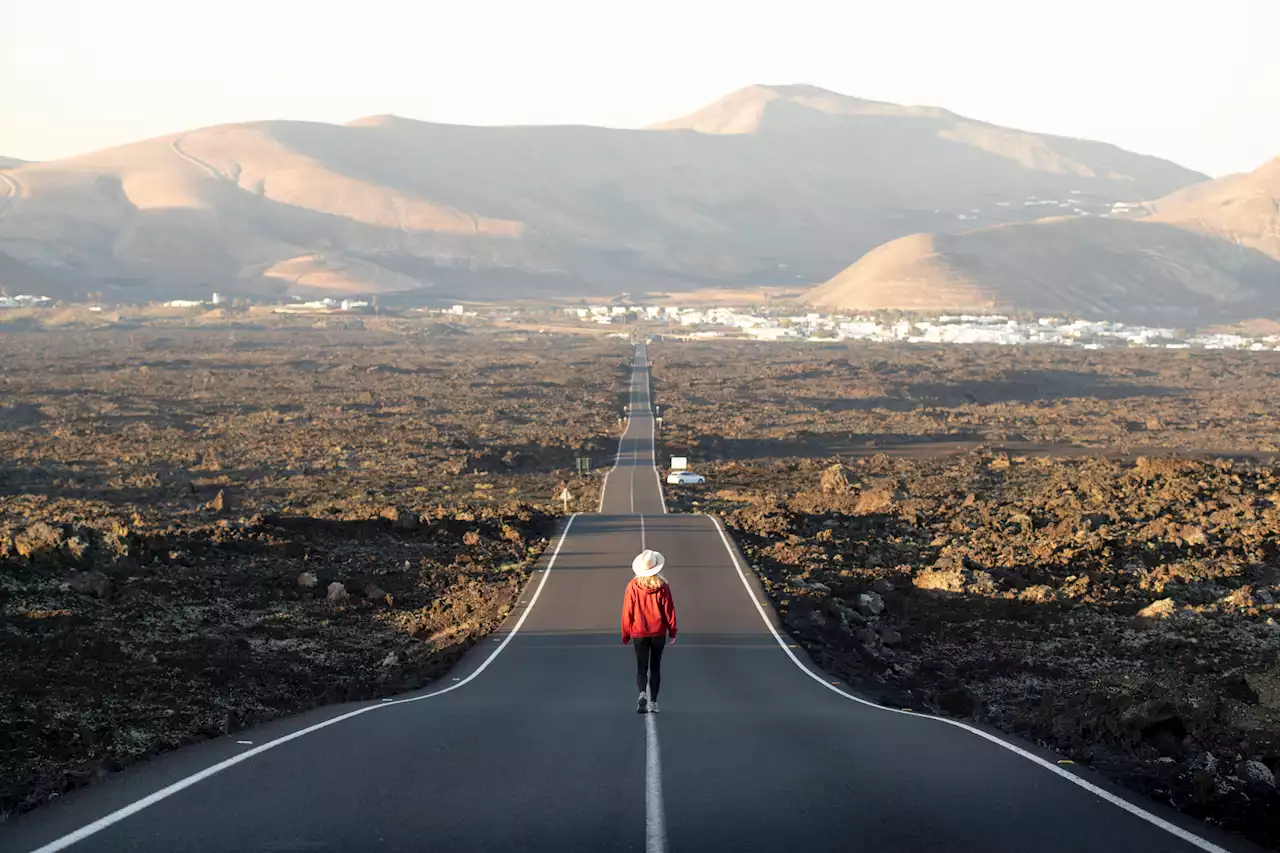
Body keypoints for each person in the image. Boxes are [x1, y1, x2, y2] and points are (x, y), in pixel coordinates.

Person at [621, 549, 678, 714]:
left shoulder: (633, 586)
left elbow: (627, 612)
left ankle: (642, 693)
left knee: (641, 666)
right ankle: (653, 702)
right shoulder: (663, 587)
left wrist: (625, 634)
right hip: (658, 633)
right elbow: (669, 611)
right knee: (655, 667)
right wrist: (672, 631)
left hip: (639, 633)